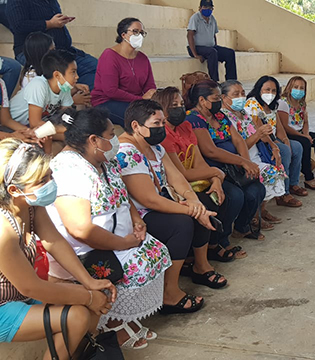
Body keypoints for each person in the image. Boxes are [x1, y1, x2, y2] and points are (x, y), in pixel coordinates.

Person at [46, 108, 171, 349]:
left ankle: (124, 319)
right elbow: (80, 230)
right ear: (94, 140)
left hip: (119, 240)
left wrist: (137, 220)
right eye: (111, 134)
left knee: (155, 251)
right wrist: (124, 243)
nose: (115, 140)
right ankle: (112, 323)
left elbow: (122, 195)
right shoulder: (68, 169)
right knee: (137, 263)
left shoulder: (102, 159)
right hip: (87, 251)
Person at [0, 138, 116, 355]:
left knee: (92, 299)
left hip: (20, 296)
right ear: (15, 190)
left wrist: (89, 283)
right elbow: (31, 287)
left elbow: (54, 241)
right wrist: (87, 295)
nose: (51, 183)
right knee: (78, 315)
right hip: (3, 307)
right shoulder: (2, 231)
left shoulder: (30, 205)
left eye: (50, 175)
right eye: (42, 180)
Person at [118, 99, 227, 315]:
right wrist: (191, 210)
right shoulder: (127, 152)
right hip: (139, 214)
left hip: (161, 201)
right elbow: (149, 200)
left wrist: (192, 200)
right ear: (136, 126)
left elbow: (177, 178)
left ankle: (200, 266)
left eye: (162, 123)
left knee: (202, 202)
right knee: (183, 223)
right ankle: (169, 292)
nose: (161, 128)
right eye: (156, 124)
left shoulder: (154, 146)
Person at [153, 87, 247, 260]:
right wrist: (216, 172)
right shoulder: (162, 134)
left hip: (196, 179)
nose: (180, 108)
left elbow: (198, 161)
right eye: (174, 105)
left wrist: (215, 180)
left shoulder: (185, 126)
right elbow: (181, 174)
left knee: (221, 195)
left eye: (181, 104)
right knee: (205, 203)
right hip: (177, 187)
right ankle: (199, 260)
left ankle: (214, 246)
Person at [185, 80, 267, 239]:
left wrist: (246, 162)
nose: (219, 102)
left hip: (234, 167)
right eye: (216, 98)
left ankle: (242, 227)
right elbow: (211, 151)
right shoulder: (193, 119)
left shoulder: (219, 115)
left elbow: (238, 140)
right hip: (214, 170)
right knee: (235, 196)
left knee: (257, 189)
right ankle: (220, 239)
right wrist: (242, 162)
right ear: (202, 100)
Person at [221, 80, 287, 228]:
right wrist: (258, 134)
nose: (241, 97)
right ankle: (255, 217)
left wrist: (274, 147)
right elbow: (238, 147)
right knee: (270, 173)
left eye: (242, 93)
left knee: (278, 168)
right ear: (224, 98)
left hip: (256, 154)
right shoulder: (224, 118)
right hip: (243, 159)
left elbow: (261, 133)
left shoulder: (244, 112)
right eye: (235, 94)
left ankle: (261, 211)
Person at [6, 0, 98, 89]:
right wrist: (49, 24)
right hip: (35, 52)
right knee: (62, 75)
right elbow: (18, 25)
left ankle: (81, 94)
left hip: (64, 50)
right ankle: (73, 95)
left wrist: (61, 20)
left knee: (98, 68)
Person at [245, 76, 307, 207]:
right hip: (261, 141)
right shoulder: (252, 104)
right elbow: (259, 130)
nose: (270, 94)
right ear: (259, 89)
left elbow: (278, 126)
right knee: (283, 151)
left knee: (296, 147)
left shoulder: (273, 104)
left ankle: (292, 184)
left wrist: (285, 140)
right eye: (267, 90)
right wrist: (275, 145)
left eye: (273, 91)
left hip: (274, 138)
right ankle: (283, 194)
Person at [9, 49, 78, 154]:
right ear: (57, 75)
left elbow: (68, 116)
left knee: (75, 137)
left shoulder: (64, 88)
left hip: (38, 127)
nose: (77, 76)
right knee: (72, 137)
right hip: (16, 126)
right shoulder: (39, 85)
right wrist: (67, 130)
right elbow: (35, 123)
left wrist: (72, 129)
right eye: (73, 72)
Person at [92, 18, 156, 127]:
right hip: (107, 102)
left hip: (136, 102)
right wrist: (140, 99)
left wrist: (151, 95)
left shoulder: (143, 58)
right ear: (123, 35)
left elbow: (149, 85)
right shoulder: (109, 55)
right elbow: (110, 91)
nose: (139, 36)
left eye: (141, 33)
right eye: (135, 32)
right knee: (141, 118)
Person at [278, 76, 315, 189]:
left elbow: (305, 122)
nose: (298, 90)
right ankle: (308, 177)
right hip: (289, 133)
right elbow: (284, 126)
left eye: (301, 88)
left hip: (300, 132)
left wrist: (306, 134)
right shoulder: (283, 103)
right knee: (304, 142)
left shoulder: (301, 104)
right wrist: (303, 136)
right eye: (296, 87)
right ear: (289, 88)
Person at [19, 32, 91, 107]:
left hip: (51, 109)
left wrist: (75, 88)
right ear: (42, 54)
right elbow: (47, 106)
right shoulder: (32, 79)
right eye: (52, 50)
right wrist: (73, 101)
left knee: (82, 97)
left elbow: (59, 93)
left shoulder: (51, 69)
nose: (55, 52)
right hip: (36, 114)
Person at [187, 0, 237, 82]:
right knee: (212, 52)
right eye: (205, 7)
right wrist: (195, 54)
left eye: (210, 8)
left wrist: (217, 48)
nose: (208, 9)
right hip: (196, 48)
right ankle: (214, 81)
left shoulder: (212, 19)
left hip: (210, 47)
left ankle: (231, 81)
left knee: (230, 53)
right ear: (200, 8)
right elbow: (190, 35)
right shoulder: (195, 18)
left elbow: (213, 35)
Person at [0, 78, 38, 144]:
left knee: (33, 140)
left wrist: (29, 132)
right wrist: (11, 136)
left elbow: (6, 120)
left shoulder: (1, 83)